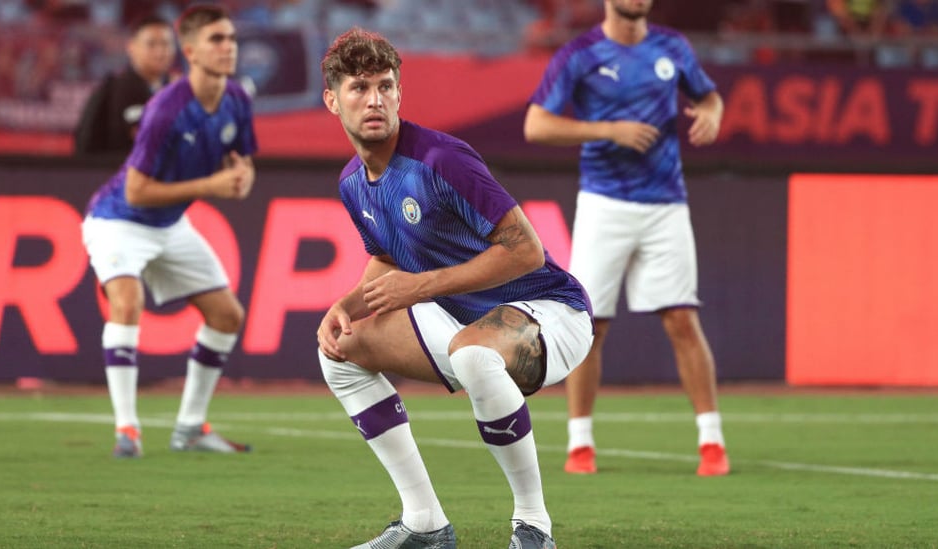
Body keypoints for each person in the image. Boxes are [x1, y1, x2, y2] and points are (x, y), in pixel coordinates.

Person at [317, 28, 593, 549]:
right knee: (338, 350)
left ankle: (534, 526)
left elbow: (526, 250)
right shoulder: (353, 182)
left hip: (551, 312)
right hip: (463, 320)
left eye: (385, 85)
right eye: (358, 88)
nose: (374, 99)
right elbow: (386, 253)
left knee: (472, 356)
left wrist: (421, 286)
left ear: (400, 93)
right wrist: (344, 304)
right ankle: (424, 522)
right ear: (332, 100)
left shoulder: (443, 160)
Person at [523, 0, 730, 477]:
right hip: (604, 203)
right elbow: (536, 124)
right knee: (589, 327)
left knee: (682, 319)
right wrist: (606, 130)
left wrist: (713, 113)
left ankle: (712, 441)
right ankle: (580, 444)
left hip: (666, 203)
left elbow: (709, 96)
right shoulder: (580, 53)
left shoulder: (672, 46)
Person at [81, 4, 256, 458]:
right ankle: (128, 431)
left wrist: (241, 177)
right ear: (191, 51)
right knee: (127, 301)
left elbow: (243, 160)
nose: (228, 47)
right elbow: (137, 190)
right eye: (217, 40)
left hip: (169, 225)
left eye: (231, 39)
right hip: (117, 220)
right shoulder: (166, 108)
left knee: (227, 316)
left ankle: (190, 428)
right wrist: (212, 185)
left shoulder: (237, 98)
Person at [74, 14, 176, 156]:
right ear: (131, 47)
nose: (160, 52)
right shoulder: (116, 89)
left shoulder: (177, 89)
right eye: (151, 44)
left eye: (166, 43)